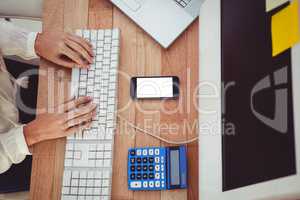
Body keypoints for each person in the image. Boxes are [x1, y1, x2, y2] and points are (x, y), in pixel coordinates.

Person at [0, 20, 96, 199]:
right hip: (7, 157)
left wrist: (34, 42)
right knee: (78, 174)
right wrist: (32, 134)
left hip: (12, 87)